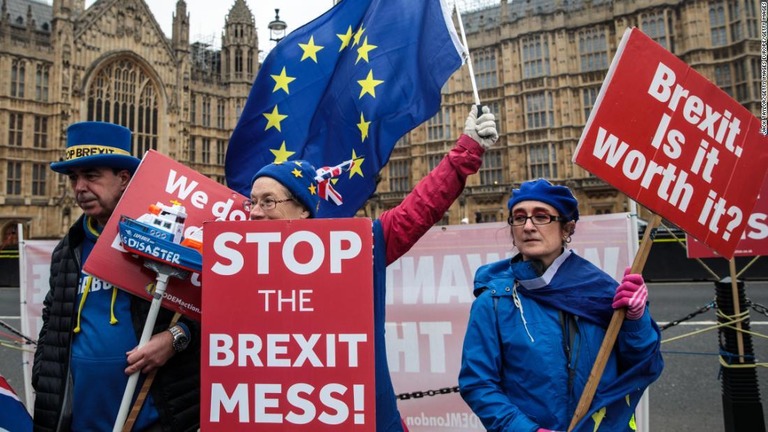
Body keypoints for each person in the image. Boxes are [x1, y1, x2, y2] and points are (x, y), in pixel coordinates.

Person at [245, 105, 498, 431]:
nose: (254, 212)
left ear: (303, 209)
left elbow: (418, 210)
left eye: (268, 201)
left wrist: (467, 149)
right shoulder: (236, 262)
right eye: (252, 202)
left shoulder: (353, 250)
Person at [458, 179, 664, 432]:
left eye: (542, 216)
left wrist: (636, 321)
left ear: (567, 229)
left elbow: (641, 362)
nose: (529, 226)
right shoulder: (493, 302)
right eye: (519, 217)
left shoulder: (603, 291)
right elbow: (478, 384)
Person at [33, 122, 200, 432]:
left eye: (92, 176)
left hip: (152, 419)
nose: (80, 187)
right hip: (80, 421)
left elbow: (214, 312)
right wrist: (44, 378)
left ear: (124, 179)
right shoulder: (69, 250)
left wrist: (176, 339)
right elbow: (52, 322)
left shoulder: (167, 242)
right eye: (74, 178)